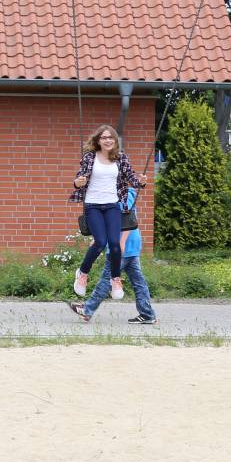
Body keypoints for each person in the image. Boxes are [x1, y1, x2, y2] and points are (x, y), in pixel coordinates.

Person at [70, 124, 147, 301]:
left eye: (111, 137)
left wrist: (141, 182)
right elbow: (79, 178)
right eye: (104, 137)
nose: (108, 140)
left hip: (112, 204)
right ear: (98, 140)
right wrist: (78, 183)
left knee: (114, 243)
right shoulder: (89, 157)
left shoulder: (120, 158)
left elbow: (131, 179)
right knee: (100, 242)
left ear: (115, 140)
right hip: (93, 206)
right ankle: (82, 273)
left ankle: (115, 279)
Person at [67, 188, 156, 324]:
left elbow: (129, 219)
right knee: (138, 281)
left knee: (107, 279)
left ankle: (87, 309)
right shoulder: (120, 194)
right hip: (131, 245)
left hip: (122, 246)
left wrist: (121, 242)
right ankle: (147, 314)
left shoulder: (122, 195)